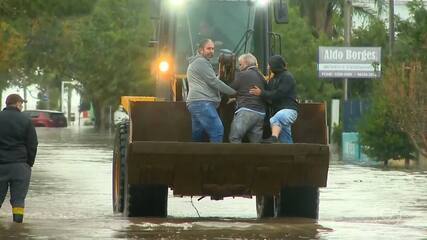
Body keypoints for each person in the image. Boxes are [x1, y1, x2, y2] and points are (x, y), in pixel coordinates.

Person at [186, 39, 236, 142]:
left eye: (213, 48)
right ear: (200, 50)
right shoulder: (201, 62)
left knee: (198, 135)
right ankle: (215, 157)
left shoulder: (198, 62)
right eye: (208, 48)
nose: (211, 51)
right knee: (217, 130)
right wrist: (233, 92)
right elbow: (213, 82)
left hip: (196, 102)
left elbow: (211, 80)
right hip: (202, 102)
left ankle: (195, 157)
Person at [0, 94, 38, 223]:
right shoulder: (26, 120)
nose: (22, 106)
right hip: (20, 165)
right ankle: (17, 228)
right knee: (18, 200)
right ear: (16, 104)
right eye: (21, 103)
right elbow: (33, 144)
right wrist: (29, 163)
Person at [249, 55, 298, 143]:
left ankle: (273, 138)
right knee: (285, 139)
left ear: (275, 65)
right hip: (279, 112)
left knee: (275, 119)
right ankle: (290, 153)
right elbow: (268, 94)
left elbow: (278, 94)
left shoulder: (287, 77)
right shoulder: (272, 80)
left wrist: (261, 93)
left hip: (289, 110)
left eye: (270, 65)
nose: (268, 67)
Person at [228, 53, 266, 143]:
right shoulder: (262, 77)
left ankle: (236, 157)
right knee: (256, 144)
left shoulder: (242, 74)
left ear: (246, 64)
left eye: (240, 64)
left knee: (234, 138)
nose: (239, 67)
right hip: (260, 113)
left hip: (246, 111)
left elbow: (230, 89)